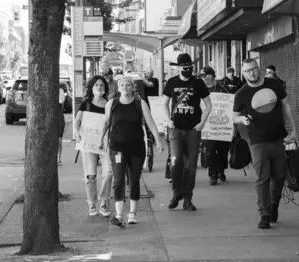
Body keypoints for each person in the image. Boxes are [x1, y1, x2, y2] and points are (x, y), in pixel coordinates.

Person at [233, 58, 299, 229]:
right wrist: (243, 119)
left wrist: (295, 130)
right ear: (243, 73)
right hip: (257, 141)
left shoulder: (274, 84)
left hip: (277, 138)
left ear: (259, 68)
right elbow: (234, 116)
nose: (252, 73)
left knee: (279, 176)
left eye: (254, 69)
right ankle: (264, 213)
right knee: (263, 177)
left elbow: (286, 106)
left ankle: (274, 205)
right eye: (248, 71)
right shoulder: (242, 93)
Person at [99, 76, 163, 227]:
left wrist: (158, 141)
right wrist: (101, 138)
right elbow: (106, 122)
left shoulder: (140, 104)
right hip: (117, 148)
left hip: (136, 148)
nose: (125, 87)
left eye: (128, 85)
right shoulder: (111, 103)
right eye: (122, 85)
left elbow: (151, 123)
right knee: (118, 180)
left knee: (134, 180)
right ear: (118, 88)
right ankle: (119, 214)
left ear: (133, 87)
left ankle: (132, 213)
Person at [162, 53, 212, 211]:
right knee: (176, 162)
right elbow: (164, 103)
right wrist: (168, 121)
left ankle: (188, 198)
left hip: (193, 130)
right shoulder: (171, 82)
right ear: (179, 68)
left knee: (191, 166)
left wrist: (201, 124)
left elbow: (208, 104)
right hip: (176, 129)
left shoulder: (198, 83)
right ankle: (176, 193)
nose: (188, 70)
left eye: (190, 67)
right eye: (185, 68)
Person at [74, 75, 113, 216]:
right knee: (90, 175)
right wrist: (77, 133)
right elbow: (77, 121)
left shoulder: (109, 104)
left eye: (102, 85)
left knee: (108, 173)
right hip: (89, 144)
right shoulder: (86, 104)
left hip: (106, 143)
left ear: (105, 88)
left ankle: (104, 202)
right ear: (91, 87)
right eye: (96, 85)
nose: (99, 87)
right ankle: (91, 203)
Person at [200, 66, 234, 185]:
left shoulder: (223, 87)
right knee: (210, 151)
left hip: (223, 125)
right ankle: (213, 174)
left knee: (223, 151)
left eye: (203, 76)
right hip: (209, 126)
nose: (202, 79)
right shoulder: (201, 90)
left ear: (210, 76)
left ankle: (221, 171)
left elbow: (231, 103)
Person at [58, 85, 66, 166]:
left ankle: (58, 158)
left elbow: (62, 104)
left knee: (59, 140)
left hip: (59, 117)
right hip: (58, 117)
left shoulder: (60, 90)